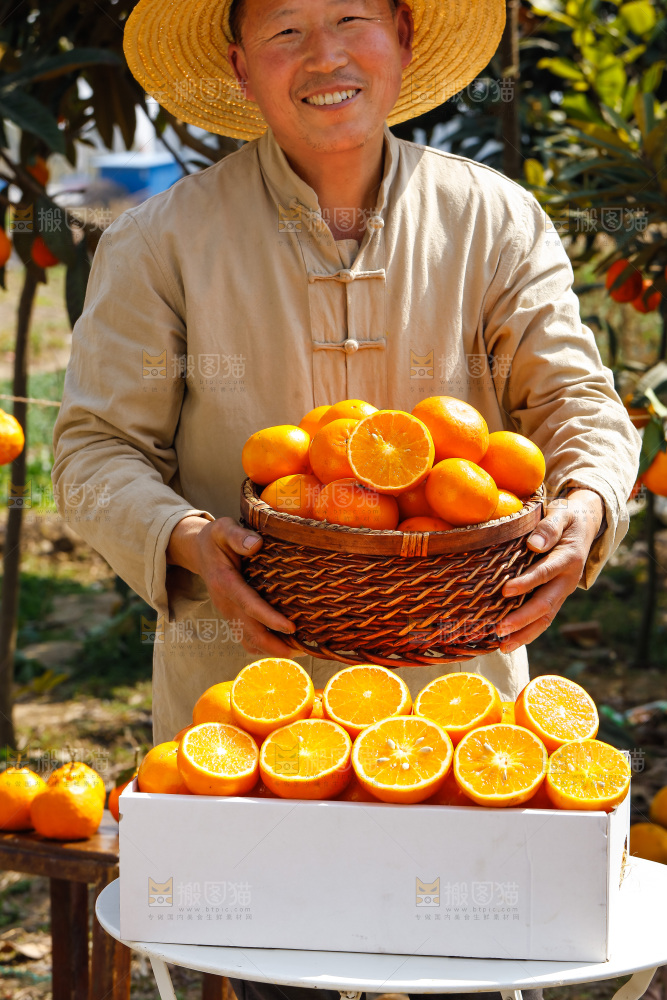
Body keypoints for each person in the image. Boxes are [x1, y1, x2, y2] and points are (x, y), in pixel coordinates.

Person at [52, 2, 639, 997]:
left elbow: (578, 403)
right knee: (275, 977)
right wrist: (188, 538)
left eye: (352, 17)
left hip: (461, 719)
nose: (322, 55)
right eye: (285, 31)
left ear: (405, 41)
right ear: (240, 67)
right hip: (244, 714)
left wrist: (586, 507)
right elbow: (94, 449)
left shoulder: (491, 220)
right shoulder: (164, 239)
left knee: (474, 968)